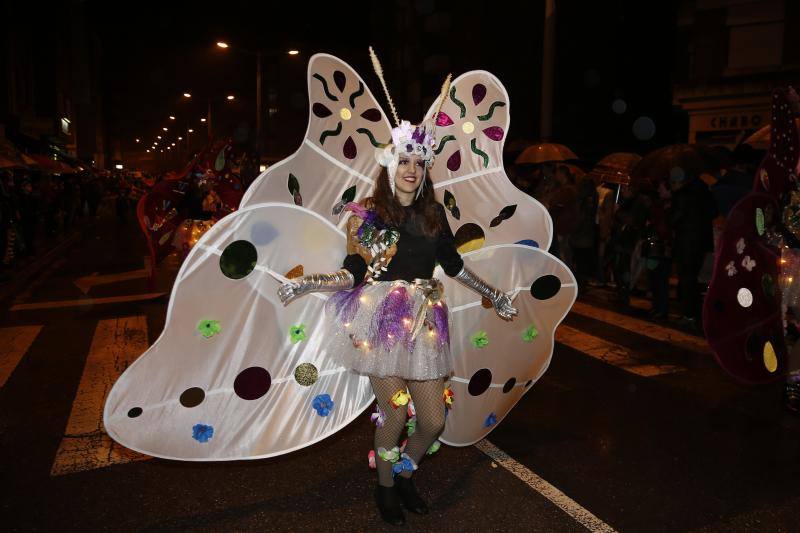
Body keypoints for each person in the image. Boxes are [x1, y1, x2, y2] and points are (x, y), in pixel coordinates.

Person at [278, 119, 518, 526]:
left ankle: (405, 469)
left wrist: (494, 294)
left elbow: (454, 265)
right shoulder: (369, 213)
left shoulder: (434, 213)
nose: (411, 169)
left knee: (432, 420)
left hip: (424, 322)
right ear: (390, 165)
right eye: (404, 160)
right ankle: (387, 486)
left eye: (419, 163)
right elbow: (354, 268)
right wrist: (310, 283)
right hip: (383, 323)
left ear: (425, 170)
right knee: (394, 414)